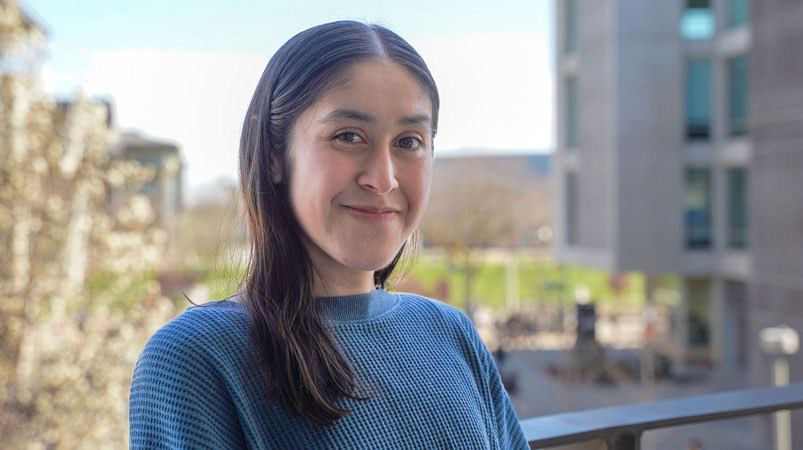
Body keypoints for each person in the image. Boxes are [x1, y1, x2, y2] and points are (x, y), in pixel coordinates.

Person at [128, 20, 529, 449]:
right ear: (275, 155)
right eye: (348, 136)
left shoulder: (451, 333)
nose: (384, 179)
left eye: (409, 142)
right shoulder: (197, 357)